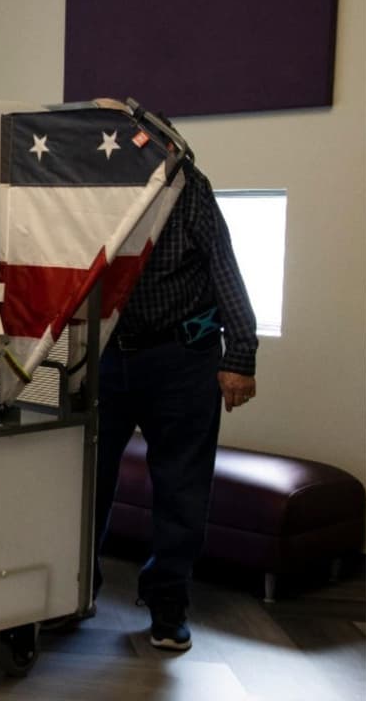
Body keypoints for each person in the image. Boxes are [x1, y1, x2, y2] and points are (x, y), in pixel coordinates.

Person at [90, 157, 259, 652]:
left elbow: (224, 267)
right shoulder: (87, 180)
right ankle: (76, 592)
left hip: (182, 356)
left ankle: (168, 604)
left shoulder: (187, 186)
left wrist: (241, 354)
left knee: (181, 487)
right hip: (105, 354)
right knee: (85, 480)